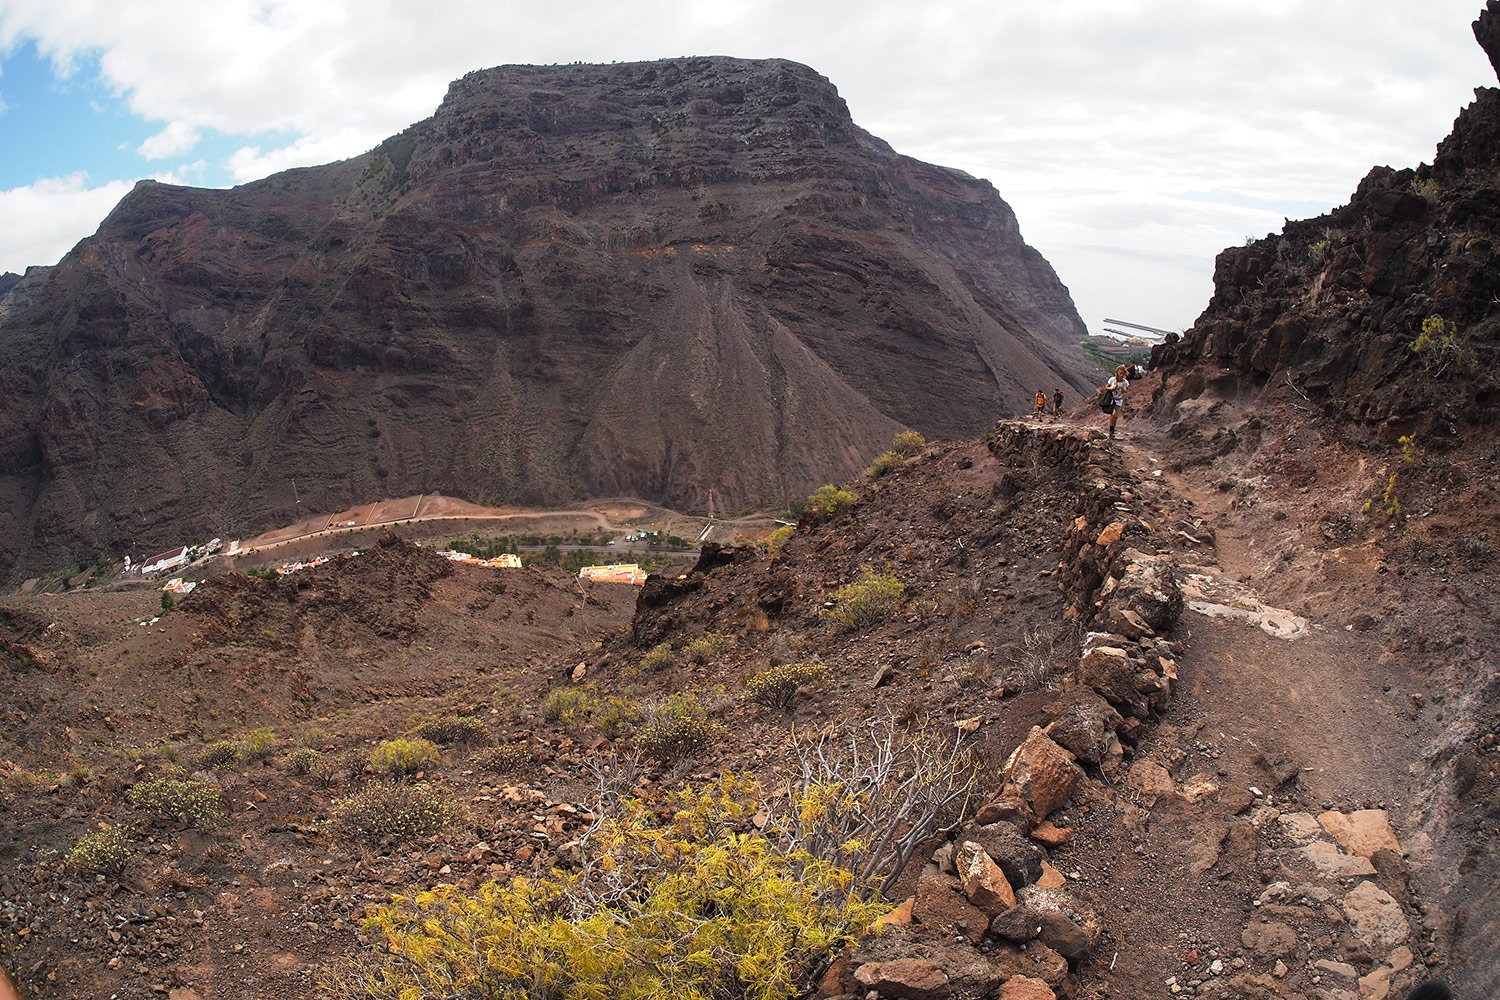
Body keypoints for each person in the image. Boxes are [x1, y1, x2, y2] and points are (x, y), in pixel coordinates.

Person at [1105, 365, 1129, 439]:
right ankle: (1111, 431)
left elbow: (1126, 390)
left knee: (1115, 417)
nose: (1121, 375)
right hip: (1112, 399)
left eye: (1122, 374)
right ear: (1117, 373)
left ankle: (1112, 430)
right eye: (1120, 373)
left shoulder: (1125, 382)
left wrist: (1123, 389)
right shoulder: (1112, 380)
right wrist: (1111, 388)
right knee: (1113, 414)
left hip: (1119, 400)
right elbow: (1106, 387)